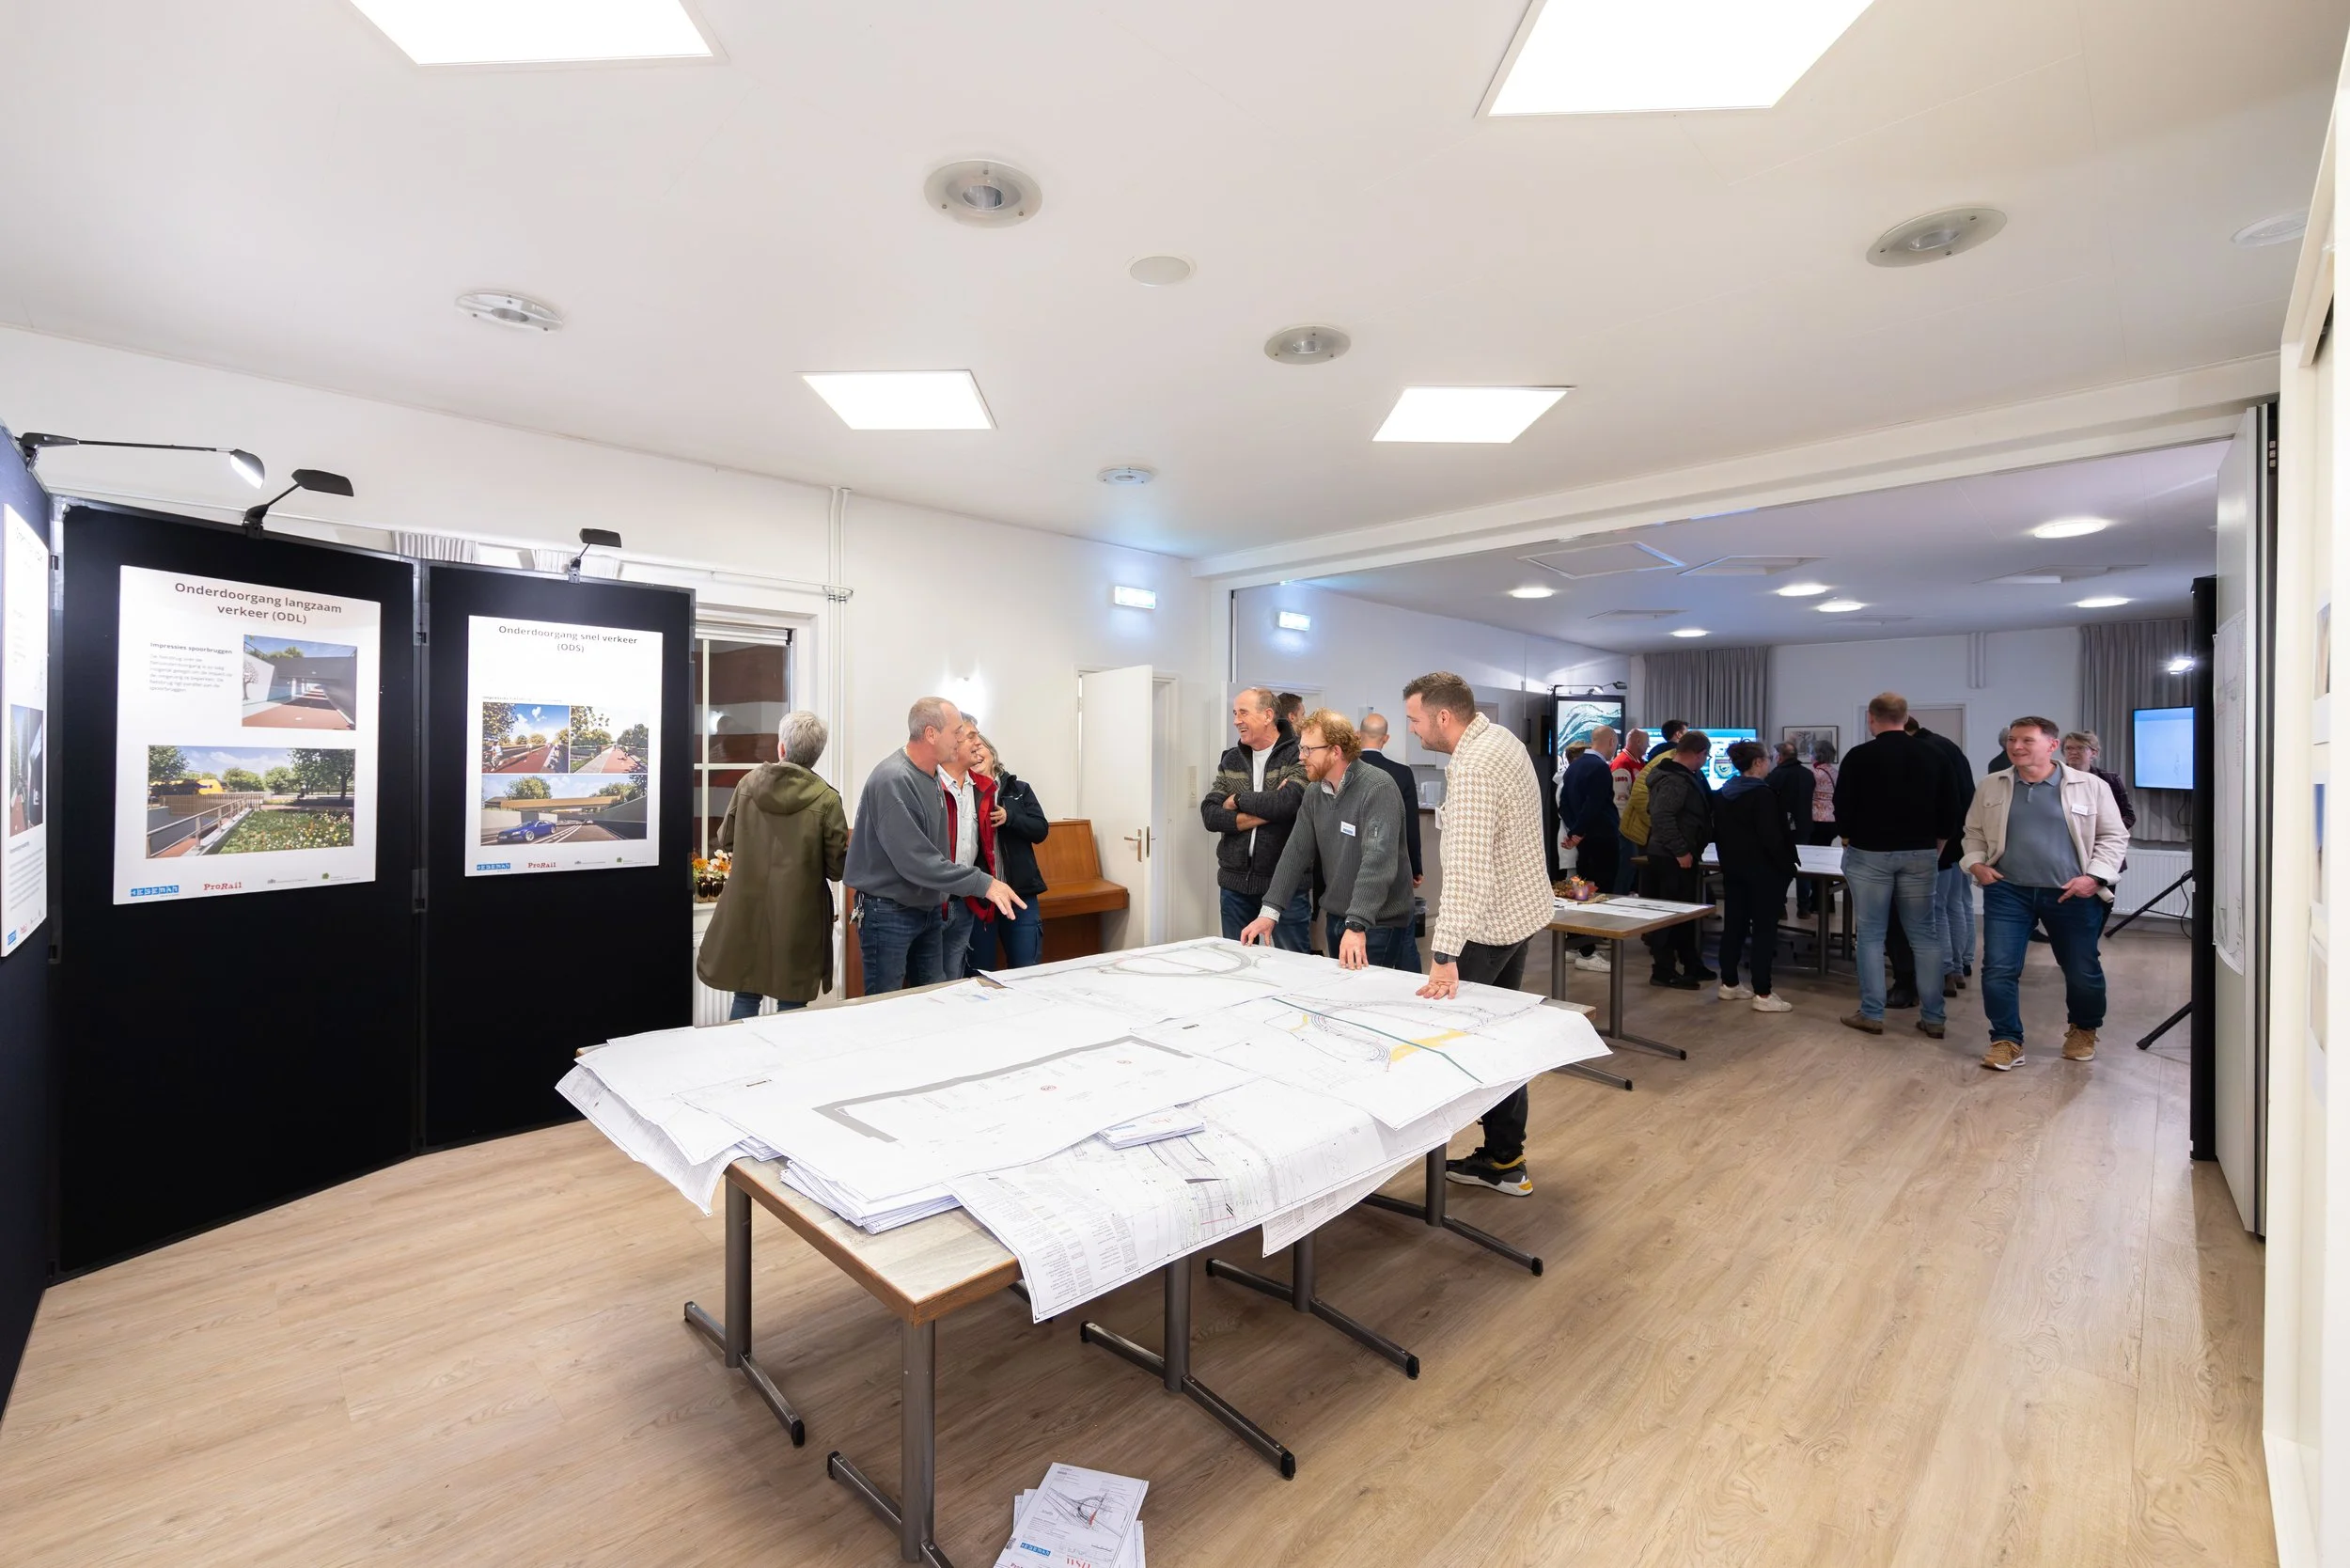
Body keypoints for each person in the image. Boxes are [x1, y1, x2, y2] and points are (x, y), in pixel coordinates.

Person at [1403, 672, 1553, 1197]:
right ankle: (1504, 1157)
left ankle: (1495, 1159)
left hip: (1487, 929)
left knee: (1459, 1046)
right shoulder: (1502, 740)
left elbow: (1467, 872)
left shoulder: (1473, 768)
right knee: (1499, 1039)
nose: (1414, 730)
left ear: (1444, 717)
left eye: (1416, 719)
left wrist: (1444, 953)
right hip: (1519, 916)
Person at [1962, 715, 2131, 1070]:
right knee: (1998, 968)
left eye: (2026, 741)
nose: (2016, 747)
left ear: (2052, 746)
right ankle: (2006, 1040)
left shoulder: (2089, 785)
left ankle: (2084, 1029)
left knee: (2080, 968)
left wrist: (2095, 878)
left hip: (2071, 893)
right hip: (2008, 891)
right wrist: (1975, 863)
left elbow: (2114, 837)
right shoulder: (1992, 785)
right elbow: (1973, 833)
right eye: (2012, 740)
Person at [843, 698, 1023, 993]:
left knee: (935, 997)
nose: (961, 740)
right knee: (885, 1003)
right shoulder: (894, 779)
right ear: (931, 734)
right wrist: (983, 883)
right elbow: (916, 861)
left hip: (926, 907)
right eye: (956, 732)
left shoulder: (931, 776)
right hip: (889, 911)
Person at [697, 711, 849, 1018]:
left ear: (781, 748)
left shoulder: (748, 784)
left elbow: (725, 842)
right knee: (791, 1003)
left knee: (746, 992)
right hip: (799, 916)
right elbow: (838, 868)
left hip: (747, 908)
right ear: (817, 755)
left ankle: (741, 1067)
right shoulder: (827, 800)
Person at [1241, 710, 1417, 971]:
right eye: (1301, 748)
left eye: (1308, 750)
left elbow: (1377, 861)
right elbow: (1295, 851)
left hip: (1376, 923)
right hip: (1337, 917)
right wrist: (1270, 911)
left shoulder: (1377, 788)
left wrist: (1357, 924)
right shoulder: (1314, 792)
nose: (1301, 758)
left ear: (1336, 751)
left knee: (1364, 1004)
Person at [1832, 694, 1957, 1038]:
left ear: (1872, 718)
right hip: (1920, 852)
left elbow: (1842, 805)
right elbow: (1950, 807)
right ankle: (1934, 1018)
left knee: (1871, 935)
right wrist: (1937, 845)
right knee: (1925, 935)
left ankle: (1872, 1013)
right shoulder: (1935, 753)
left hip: (1869, 853)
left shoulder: (1860, 756)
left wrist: (1846, 838)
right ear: (1906, 717)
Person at [1200, 687, 1308, 949]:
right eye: (1235, 713)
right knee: (1238, 965)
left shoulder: (1299, 753)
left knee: (1292, 966)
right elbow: (1210, 815)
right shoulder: (1231, 759)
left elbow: (1288, 804)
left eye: (1243, 713)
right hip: (1234, 886)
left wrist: (1237, 799)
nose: (1236, 720)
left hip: (1285, 885)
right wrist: (1270, 810)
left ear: (1268, 715)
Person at [1890, 715, 1979, 1000]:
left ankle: (1944, 971)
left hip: (1941, 839)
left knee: (1937, 909)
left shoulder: (1926, 750)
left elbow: (1938, 799)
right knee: (1959, 903)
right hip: (1961, 837)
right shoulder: (1947, 745)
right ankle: (1961, 963)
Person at [1712, 741, 1796, 1012]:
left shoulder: (1723, 794)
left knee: (1734, 927)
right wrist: (1787, 867)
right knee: (1764, 931)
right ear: (1758, 763)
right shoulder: (1763, 796)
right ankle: (1763, 992)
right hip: (1764, 873)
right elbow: (1773, 838)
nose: (1770, 762)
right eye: (1768, 758)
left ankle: (1729, 984)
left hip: (1733, 870)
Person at [1640, 730, 1716, 989]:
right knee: (1670, 916)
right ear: (1699, 754)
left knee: (1685, 914)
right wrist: (1681, 851)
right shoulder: (1674, 780)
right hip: (1671, 856)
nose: (1705, 761)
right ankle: (1663, 970)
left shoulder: (1684, 776)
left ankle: (1691, 963)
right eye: (1705, 757)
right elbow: (1662, 818)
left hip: (1679, 853)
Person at [971, 733, 1048, 969]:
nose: (976, 755)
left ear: (992, 753)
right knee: (979, 972)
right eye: (970, 751)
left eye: (980, 747)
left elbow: (1040, 830)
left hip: (1020, 893)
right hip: (980, 896)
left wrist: (1010, 817)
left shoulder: (1020, 789)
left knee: (1026, 967)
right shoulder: (963, 792)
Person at [936, 720, 997, 979]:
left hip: (964, 902)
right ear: (954, 742)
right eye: (971, 736)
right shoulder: (927, 783)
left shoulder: (983, 788)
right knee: (925, 984)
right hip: (930, 903)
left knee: (954, 980)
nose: (978, 743)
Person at [1557, 725, 1620, 973]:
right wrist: (1579, 832)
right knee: (1599, 894)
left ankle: (1575, 944)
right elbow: (1594, 805)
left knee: (1581, 892)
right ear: (1612, 741)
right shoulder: (1600, 768)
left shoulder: (1574, 767)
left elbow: (1563, 804)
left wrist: (1575, 833)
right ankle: (1588, 951)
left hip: (1584, 842)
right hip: (1601, 839)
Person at [1355, 713, 1423, 887]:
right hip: (1390, 864)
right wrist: (1415, 868)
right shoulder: (1402, 773)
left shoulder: (1344, 770)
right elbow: (1410, 825)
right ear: (1385, 738)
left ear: (1357, 734)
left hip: (1347, 865)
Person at [2060, 730, 2137, 833]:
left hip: (2100, 839)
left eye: (2080, 748)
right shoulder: (2055, 777)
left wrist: (2108, 834)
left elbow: (2128, 816)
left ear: (2094, 752)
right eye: (2069, 748)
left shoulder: (2110, 779)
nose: (2074, 752)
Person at [1804, 739, 1841, 919]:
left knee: (1815, 866)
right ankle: (1828, 903)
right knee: (1826, 864)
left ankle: (1817, 903)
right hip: (1833, 821)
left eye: (1811, 752)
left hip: (1818, 821)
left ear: (1816, 755)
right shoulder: (1834, 772)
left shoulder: (1815, 774)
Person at [1609, 729, 1649, 893]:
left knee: (1633, 868)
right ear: (1638, 741)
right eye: (1647, 742)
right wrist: (1625, 827)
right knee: (1626, 866)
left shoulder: (1639, 762)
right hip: (1626, 827)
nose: (1648, 746)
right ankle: (1619, 899)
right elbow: (1620, 800)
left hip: (1636, 825)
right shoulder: (1622, 763)